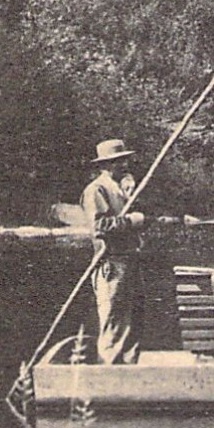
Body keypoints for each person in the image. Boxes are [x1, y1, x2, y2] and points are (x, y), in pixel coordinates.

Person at [82, 138, 146, 365]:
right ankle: (108, 373)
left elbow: (141, 218)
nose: (125, 165)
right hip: (112, 265)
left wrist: (133, 200)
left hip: (130, 261)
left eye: (125, 160)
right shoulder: (96, 190)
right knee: (114, 322)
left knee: (133, 320)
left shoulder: (123, 189)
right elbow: (100, 226)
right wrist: (130, 220)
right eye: (119, 161)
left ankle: (128, 373)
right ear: (105, 165)